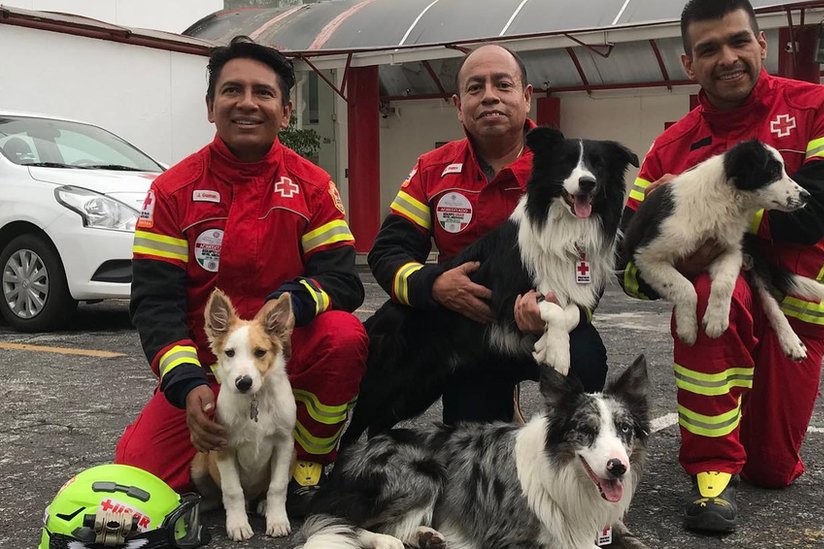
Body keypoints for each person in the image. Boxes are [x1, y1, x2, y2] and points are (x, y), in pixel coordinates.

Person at [617, 0, 824, 533]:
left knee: (772, 469)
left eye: (738, 41)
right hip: (722, 305)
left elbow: (811, 217)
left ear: (761, 43)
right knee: (704, 294)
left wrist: (713, 218)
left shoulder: (820, 106)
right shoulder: (667, 150)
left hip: (797, 308)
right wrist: (679, 254)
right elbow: (627, 269)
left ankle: (749, 442)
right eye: (708, 49)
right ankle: (710, 477)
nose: (727, 58)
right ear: (688, 63)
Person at [115, 36, 368, 516]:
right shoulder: (172, 192)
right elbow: (155, 305)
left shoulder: (313, 187)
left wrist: (290, 305)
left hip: (280, 357)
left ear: (286, 110)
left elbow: (343, 281)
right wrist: (189, 385)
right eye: (232, 91)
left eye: (263, 92)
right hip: (208, 366)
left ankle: (308, 464)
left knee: (344, 334)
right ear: (211, 107)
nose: (247, 103)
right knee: (137, 472)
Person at [367, 44, 608, 424]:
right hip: (469, 329)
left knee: (586, 361)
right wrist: (434, 285)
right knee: (471, 442)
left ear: (526, 97)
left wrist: (560, 309)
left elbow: (590, 262)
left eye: (503, 84)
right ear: (458, 104)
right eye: (475, 88)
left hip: (539, 323)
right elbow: (388, 253)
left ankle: (568, 456)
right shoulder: (432, 170)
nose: (490, 96)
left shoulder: (564, 169)